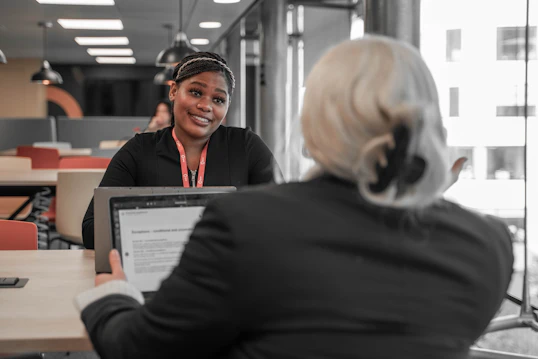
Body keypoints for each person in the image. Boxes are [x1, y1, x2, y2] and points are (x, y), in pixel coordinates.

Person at [75, 36, 513, 359]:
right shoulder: (490, 244)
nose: (207, 105)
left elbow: (138, 349)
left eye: (218, 98)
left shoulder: (244, 223)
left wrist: (112, 296)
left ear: (313, 120)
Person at [81, 52, 278, 249]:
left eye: (218, 99)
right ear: (173, 91)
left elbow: (282, 217)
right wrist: (164, 229)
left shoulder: (245, 146)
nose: (205, 106)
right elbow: (92, 231)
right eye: (196, 92)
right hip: (154, 269)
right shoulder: (140, 150)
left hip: (226, 270)